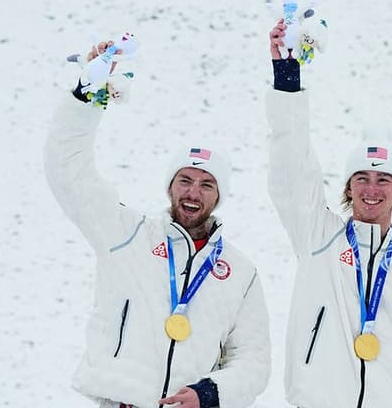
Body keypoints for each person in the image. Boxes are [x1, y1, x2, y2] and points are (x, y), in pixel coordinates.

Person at [45, 40, 270, 408]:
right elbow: (67, 170)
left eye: (206, 184)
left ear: (219, 195)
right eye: (185, 180)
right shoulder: (125, 234)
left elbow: (254, 360)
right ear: (170, 186)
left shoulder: (240, 273)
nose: (193, 193)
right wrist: (85, 98)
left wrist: (211, 393)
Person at [265, 20, 392, 407]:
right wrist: (287, 79)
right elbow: (292, 168)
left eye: (384, 180)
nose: (372, 190)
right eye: (362, 178)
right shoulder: (317, 238)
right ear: (348, 187)